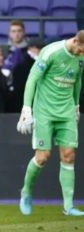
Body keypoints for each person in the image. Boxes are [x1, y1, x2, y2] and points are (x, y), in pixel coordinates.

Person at [17, 31, 84, 216]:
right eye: (81, 49)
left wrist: (77, 106)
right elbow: (32, 79)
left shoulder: (82, 57)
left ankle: (68, 206)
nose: (82, 54)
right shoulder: (50, 52)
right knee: (42, 157)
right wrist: (26, 110)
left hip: (67, 112)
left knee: (69, 156)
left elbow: (77, 80)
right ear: (76, 41)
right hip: (44, 112)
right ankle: (26, 191)